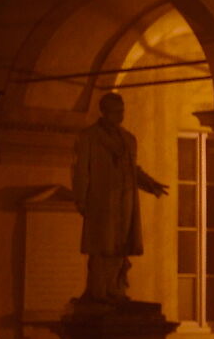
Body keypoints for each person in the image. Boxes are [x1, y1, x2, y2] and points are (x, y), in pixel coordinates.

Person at [71, 90, 167, 303]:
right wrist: (81, 200)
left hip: (126, 201)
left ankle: (115, 288)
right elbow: (81, 171)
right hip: (101, 201)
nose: (121, 115)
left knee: (120, 246)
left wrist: (150, 184)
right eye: (116, 111)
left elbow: (132, 169)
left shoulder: (129, 139)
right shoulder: (88, 137)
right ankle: (98, 291)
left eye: (122, 111)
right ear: (105, 112)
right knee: (101, 246)